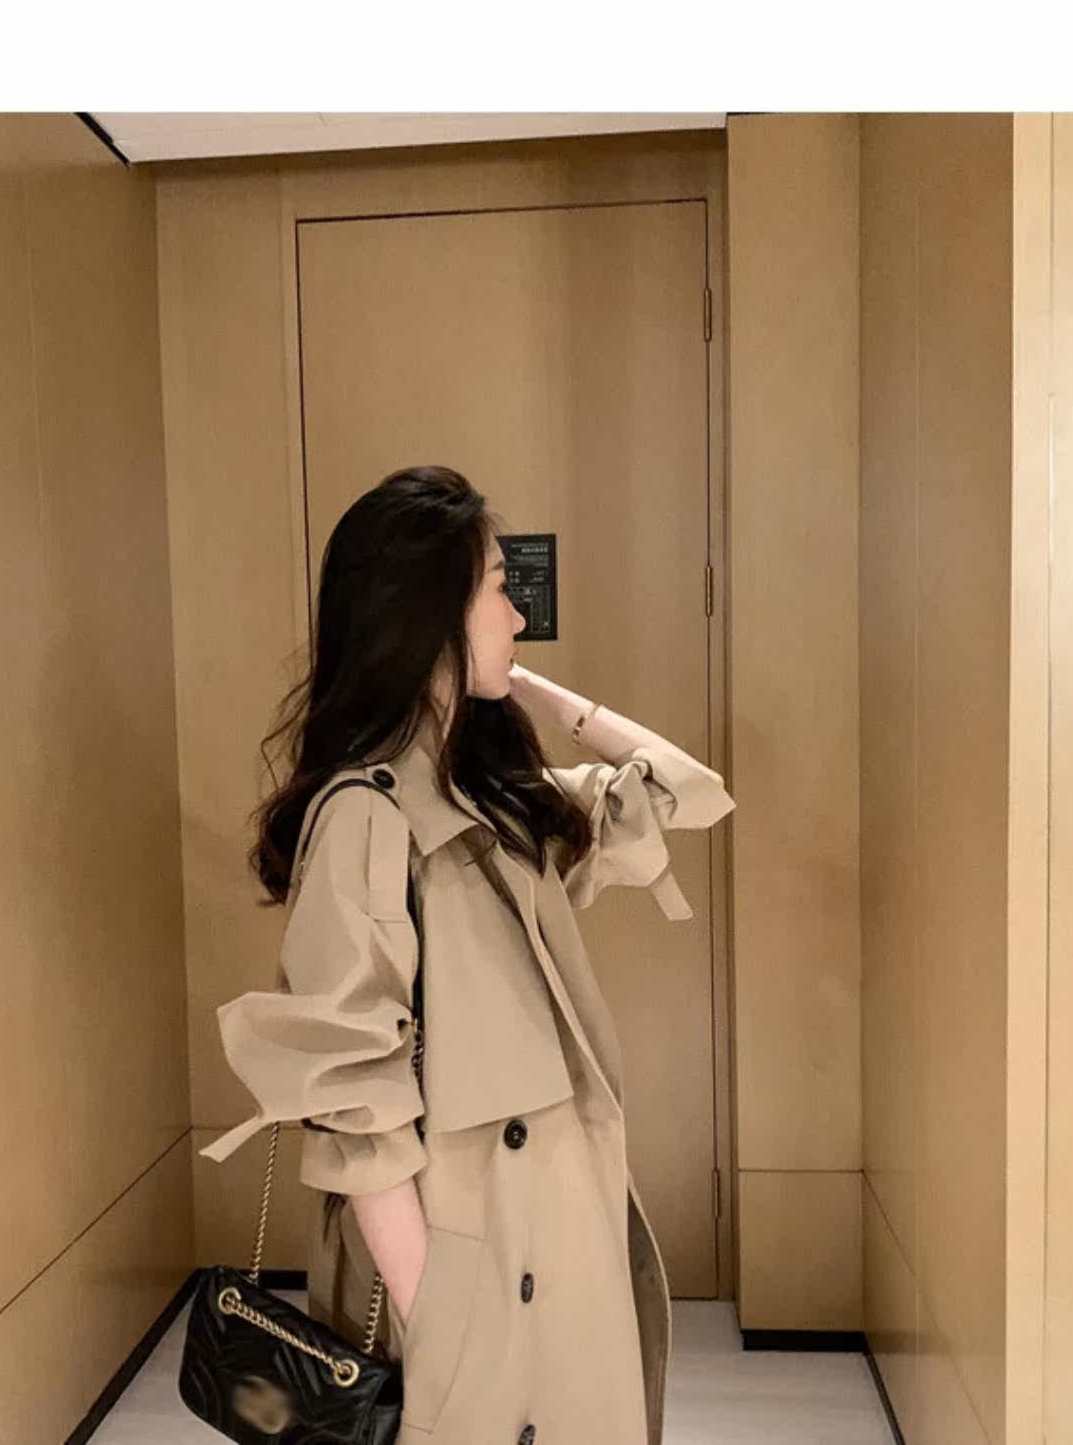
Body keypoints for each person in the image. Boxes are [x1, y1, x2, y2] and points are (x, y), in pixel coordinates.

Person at [200, 464, 736, 1444]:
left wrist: (529, 689)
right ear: (429, 610)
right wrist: (442, 1326)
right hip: (471, 1287)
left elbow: (680, 788)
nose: (518, 615)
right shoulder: (366, 817)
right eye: (498, 588)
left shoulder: (495, 800)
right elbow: (356, 1114)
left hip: (556, 1253)